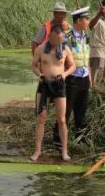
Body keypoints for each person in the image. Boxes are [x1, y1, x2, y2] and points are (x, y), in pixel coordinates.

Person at [31, 24, 75, 162]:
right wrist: (39, 74)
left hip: (59, 85)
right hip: (44, 85)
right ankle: (37, 151)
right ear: (50, 37)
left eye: (61, 39)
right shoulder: (41, 49)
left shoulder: (65, 49)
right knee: (41, 118)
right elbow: (33, 65)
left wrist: (64, 74)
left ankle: (64, 151)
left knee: (61, 120)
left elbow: (73, 66)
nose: (58, 42)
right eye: (56, 39)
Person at [53, 7, 91, 145]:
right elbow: (58, 58)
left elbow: (86, 58)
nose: (88, 22)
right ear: (79, 21)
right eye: (86, 19)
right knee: (65, 112)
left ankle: (80, 139)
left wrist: (89, 78)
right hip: (70, 79)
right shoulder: (66, 37)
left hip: (84, 79)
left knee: (82, 111)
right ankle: (58, 140)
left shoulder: (86, 36)